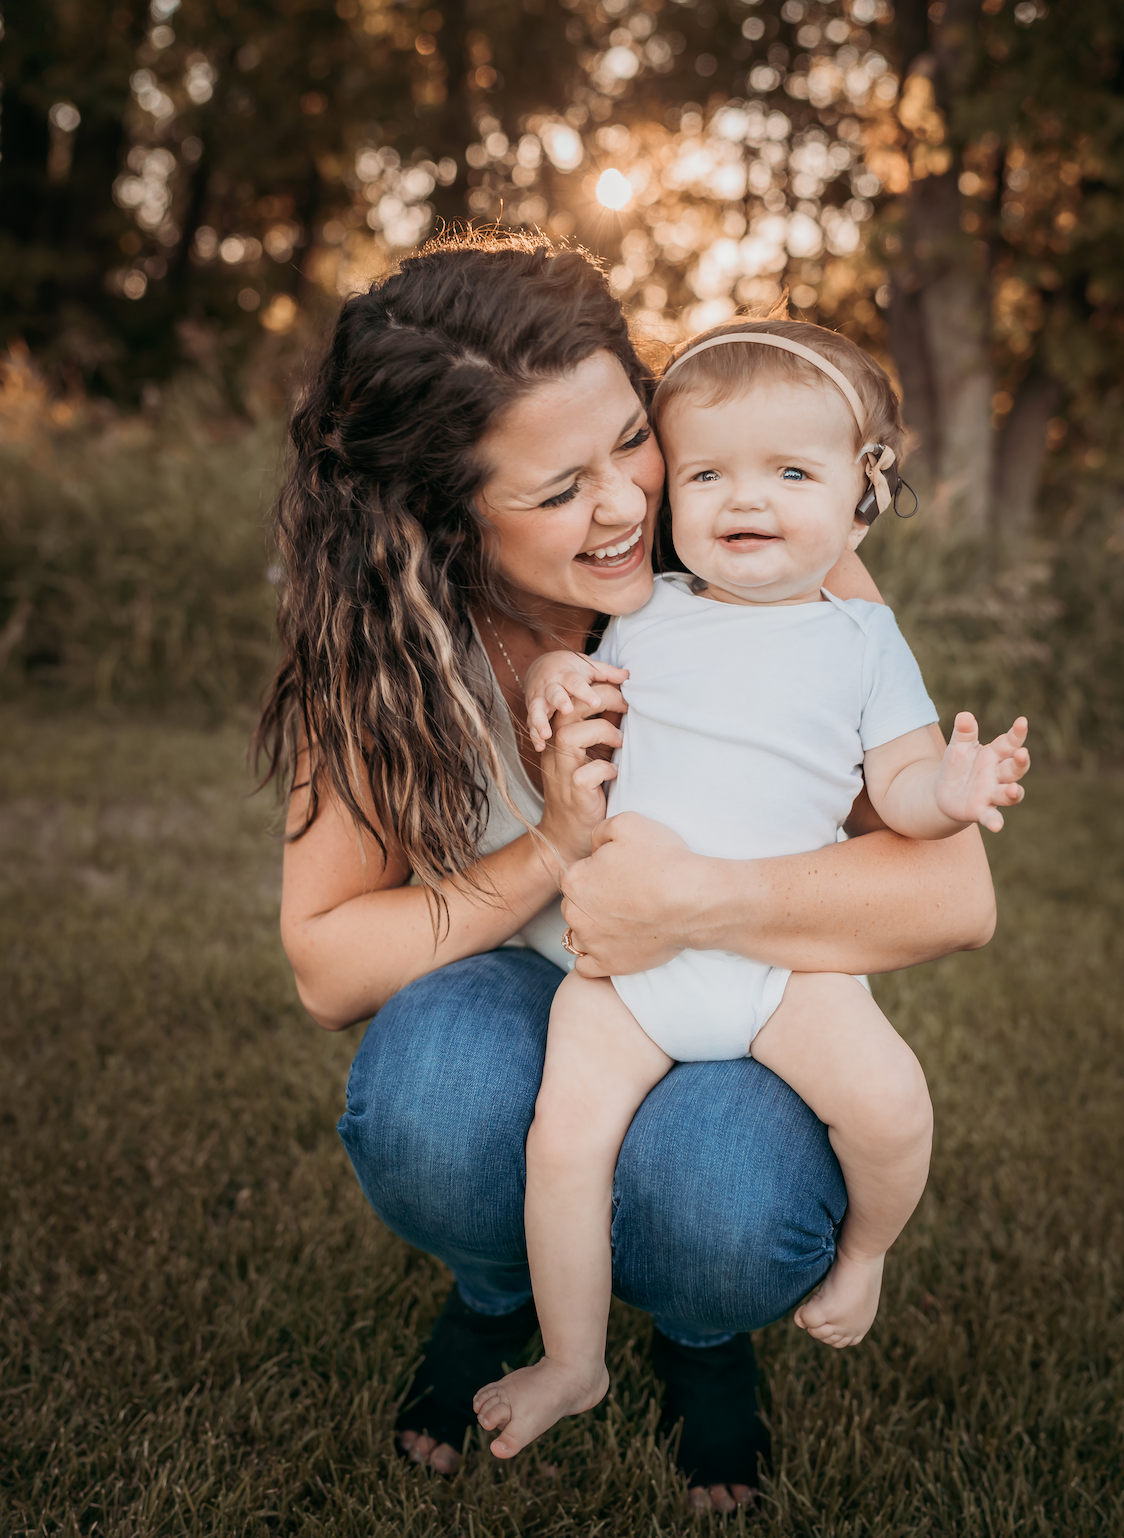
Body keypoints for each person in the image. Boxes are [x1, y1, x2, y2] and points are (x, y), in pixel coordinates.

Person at [254, 232, 998, 1513]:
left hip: (739, 986)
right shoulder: (383, 652)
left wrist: (698, 900)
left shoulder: (752, 556)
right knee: (434, 1098)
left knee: (725, 1212)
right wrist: (553, 846)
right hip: (541, 992)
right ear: (441, 511)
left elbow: (951, 894)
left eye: (630, 441)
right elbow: (328, 965)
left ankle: (699, 1332)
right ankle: (500, 1297)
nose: (624, 504)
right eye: (554, 489)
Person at [471, 320, 1030, 1460]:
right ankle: (571, 1359)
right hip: (625, 967)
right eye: (710, 472)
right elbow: (573, 675)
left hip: (784, 968)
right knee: (561, 1141)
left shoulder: (863, 642)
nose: (747, 498)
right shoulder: (643, 612)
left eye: (790, 472)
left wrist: (953, 783)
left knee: (888, 1103)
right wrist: (552, 670)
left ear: (858, 500)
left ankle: (864, 1250)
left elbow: (901, 785)